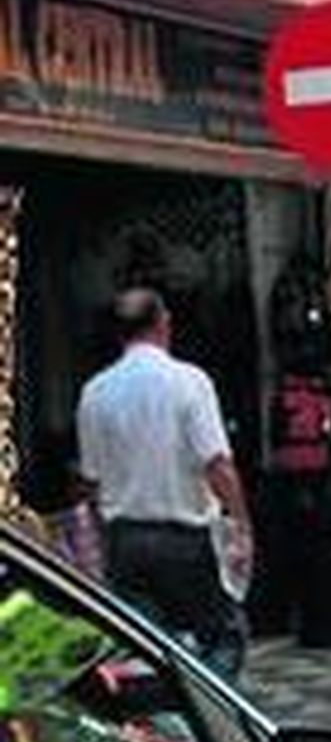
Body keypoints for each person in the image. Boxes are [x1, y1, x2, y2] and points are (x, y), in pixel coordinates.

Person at [75, 288, 253, 680]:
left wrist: (101, 533)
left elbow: (89, 481)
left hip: (125, 540)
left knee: (147, 644)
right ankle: (212, 710)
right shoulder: (189, 383)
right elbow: (217, 463)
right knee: (222, 636)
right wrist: (240, 522)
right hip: (183, 538)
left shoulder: (95, 393)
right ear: (163, 324)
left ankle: (162, 712)